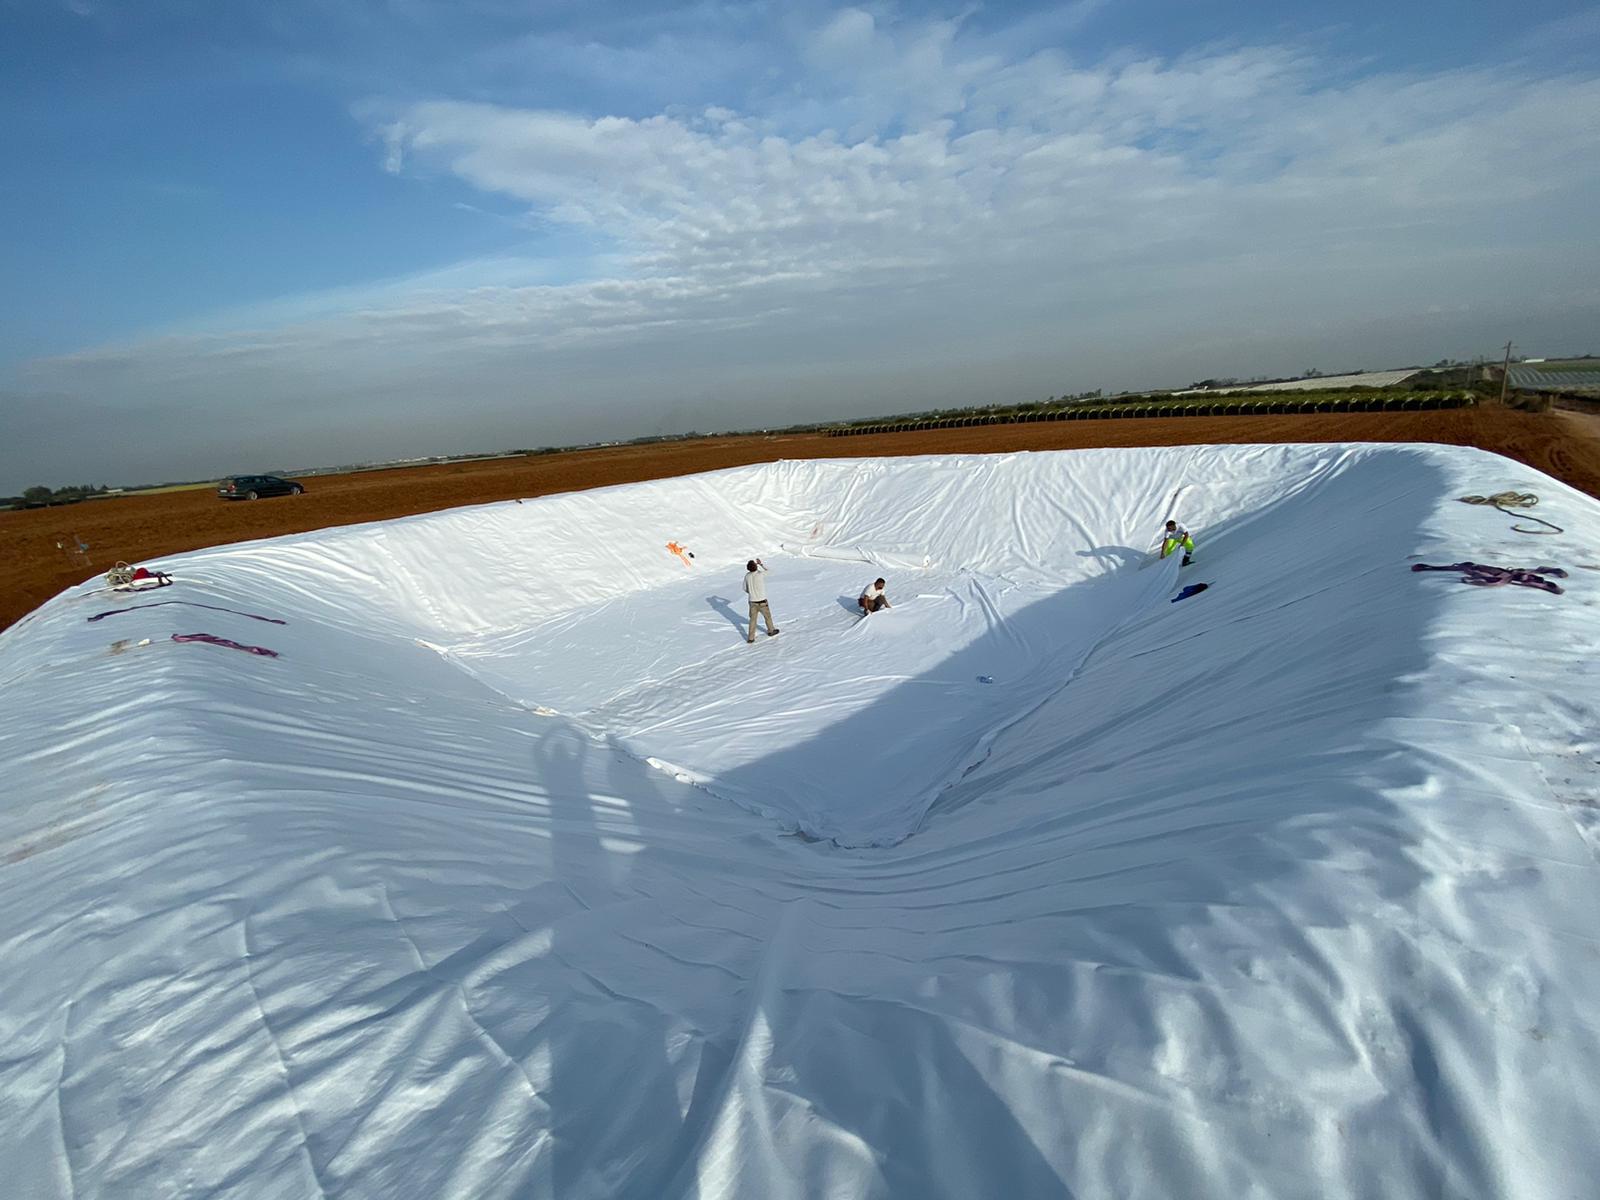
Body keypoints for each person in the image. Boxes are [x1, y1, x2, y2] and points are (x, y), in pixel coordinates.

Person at [743, 558, 779, 642]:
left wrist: (751, 592)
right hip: (762, 601)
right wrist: (761, 564)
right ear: (756, 567)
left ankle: (751, 638)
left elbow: (744, 588)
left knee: (752, 620)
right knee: (767, 617)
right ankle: (771, 630)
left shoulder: (747, 576)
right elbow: (771, 571)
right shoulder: (760, 574)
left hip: (752, 602)